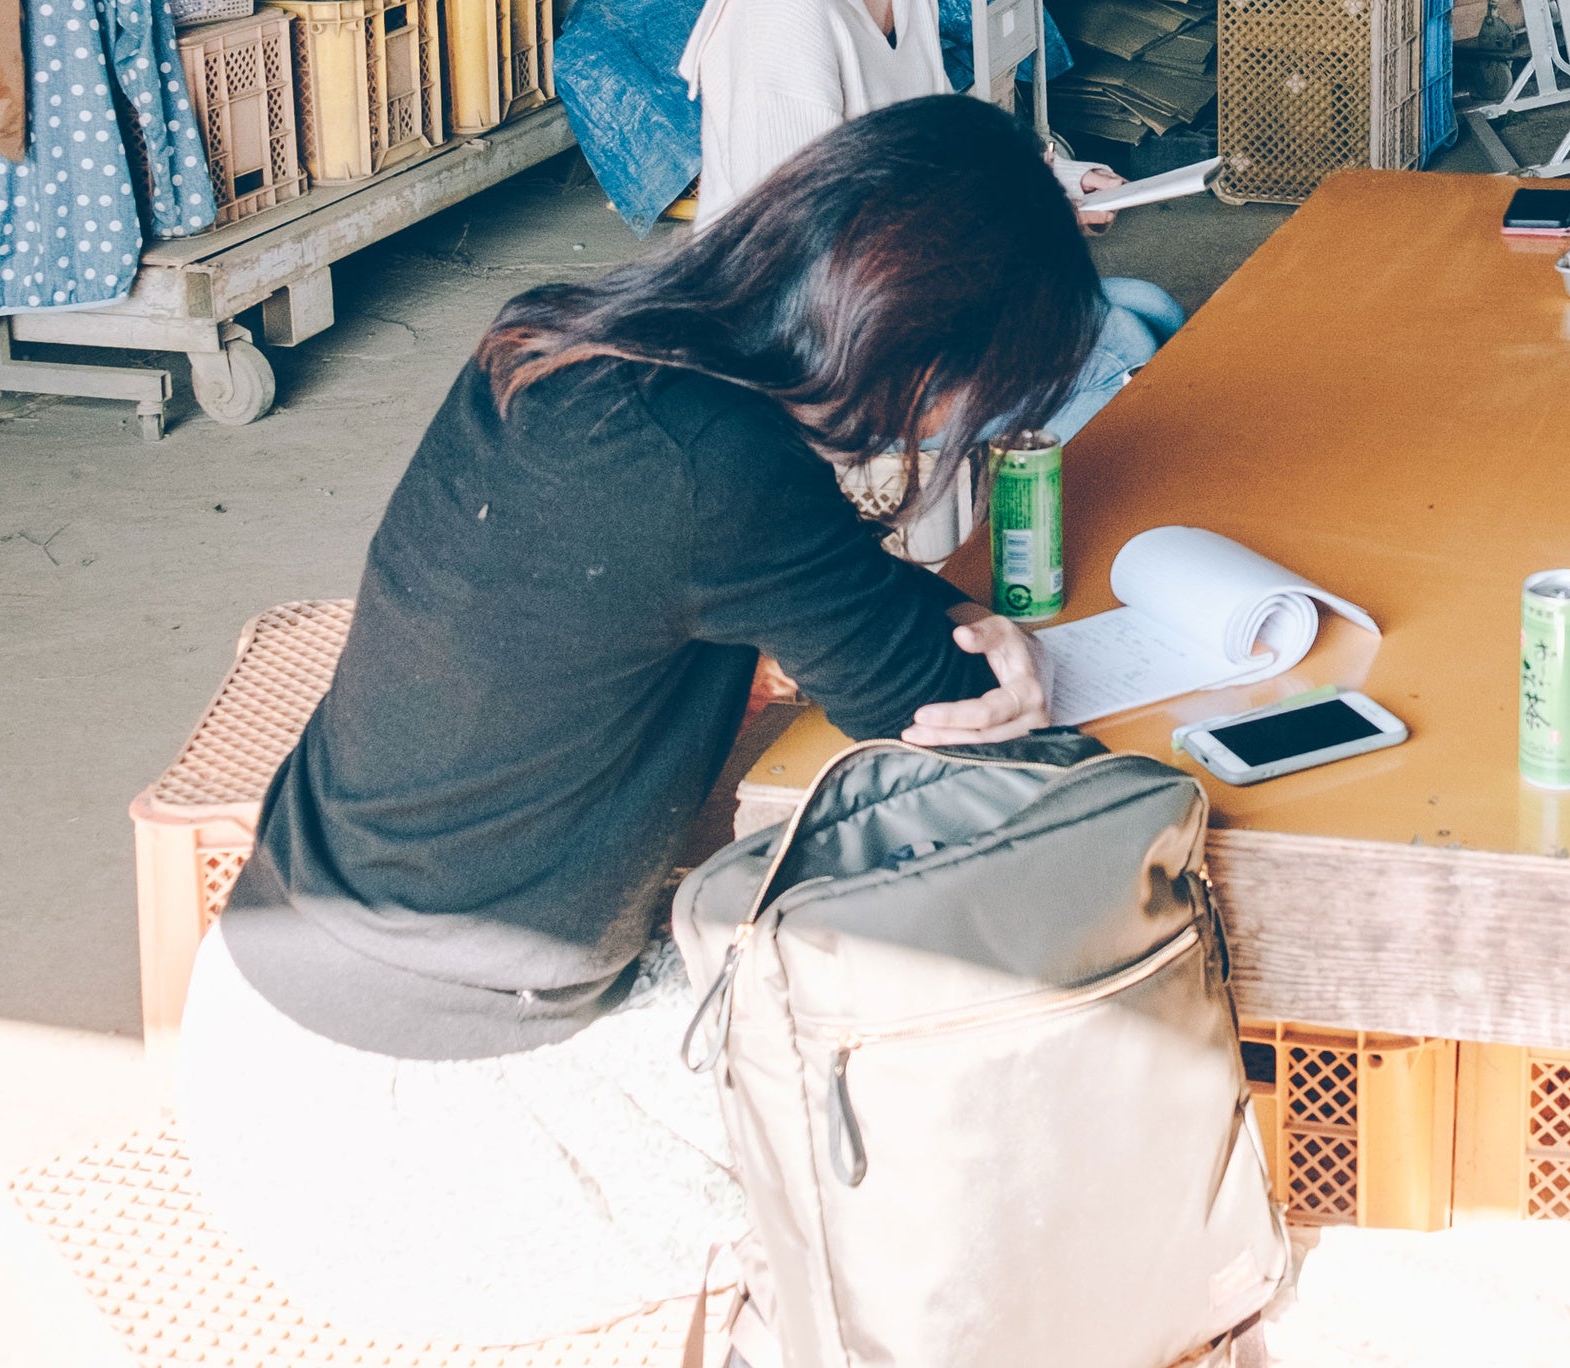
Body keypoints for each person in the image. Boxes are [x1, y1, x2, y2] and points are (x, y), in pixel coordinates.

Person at [177, 98, 1095, 1343]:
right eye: (974, 398)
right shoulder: (718, 467)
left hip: (258, 1022)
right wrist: (1010, 652)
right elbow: (930, 694)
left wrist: (916, 604)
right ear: (920, 352)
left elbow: (821, 581)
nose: (954, 430)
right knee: (921, 1142)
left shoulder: (567, 336)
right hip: (410, 1118)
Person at [679, 0, 1184, 471]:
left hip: (886, 307)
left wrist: (1057, 182)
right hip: (810, 356)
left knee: (1148, 307)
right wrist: (1009, 227)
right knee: (1118, 353)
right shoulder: (782, 0)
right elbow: (796, 263)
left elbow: (942, 147)